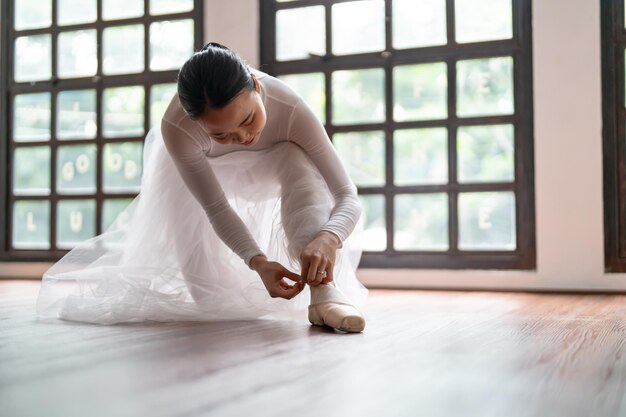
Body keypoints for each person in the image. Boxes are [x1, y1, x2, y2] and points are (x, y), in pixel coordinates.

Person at [36, 42, 368, 332]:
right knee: (209, 299)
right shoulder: (177, 128)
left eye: (248, 119)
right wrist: (258, 261)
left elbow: (347, 195)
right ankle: (216, 283)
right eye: (220, 134)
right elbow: (217, 208)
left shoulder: (291, 108)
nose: (241, 138)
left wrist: (329, 236)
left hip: (275, 163)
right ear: (195, 122)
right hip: (207, 173)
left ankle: (322, 293)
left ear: (254, 84)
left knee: (299, 163)